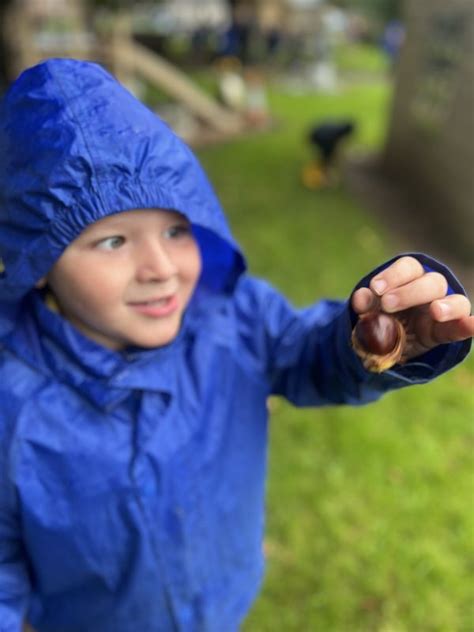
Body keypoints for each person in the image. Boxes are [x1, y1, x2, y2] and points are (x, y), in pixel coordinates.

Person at [0, 59, 472, 632]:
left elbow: (309, 356)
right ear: (40, 263)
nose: (160, 268)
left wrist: (373, 344)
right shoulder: (12, 406)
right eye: (113, 240)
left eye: (177, 230)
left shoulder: (235, 317)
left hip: (223, 602)